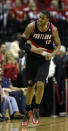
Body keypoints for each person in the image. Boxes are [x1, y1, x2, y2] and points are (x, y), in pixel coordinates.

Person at [19, 10, 61, 126]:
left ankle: (36, 109)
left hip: (44, 60)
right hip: (31, 59)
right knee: (30, 86)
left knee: (41, 84)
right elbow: (21, 44)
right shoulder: (31, 26)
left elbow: (58, 45)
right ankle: (27, 111)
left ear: (48, 19)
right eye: (39, 17)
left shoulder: (53, 29)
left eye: (42, 18)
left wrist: (52, 55)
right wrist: (33, 49)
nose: (39, 19)